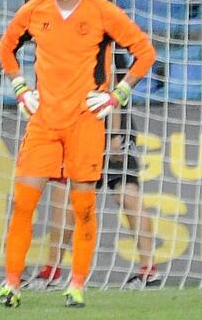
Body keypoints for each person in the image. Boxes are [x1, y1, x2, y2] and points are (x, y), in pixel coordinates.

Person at [0, 0, 156, 309]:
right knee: (23, 203)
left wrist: (118, 95)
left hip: (85, 122)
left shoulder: (102, 12)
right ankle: (10, 285)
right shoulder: (35, 10)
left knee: (83, 208)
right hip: (44, 121)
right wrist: (20, 88)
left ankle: (76, 285)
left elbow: (146, 52)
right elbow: (4, 48)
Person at [34, 103, 161, 290]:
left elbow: (114, 82)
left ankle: (52, 271)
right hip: (83, 121)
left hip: (103, 120)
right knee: (118, 191)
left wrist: (114, 133)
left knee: (121, 191)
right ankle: (149, 270)